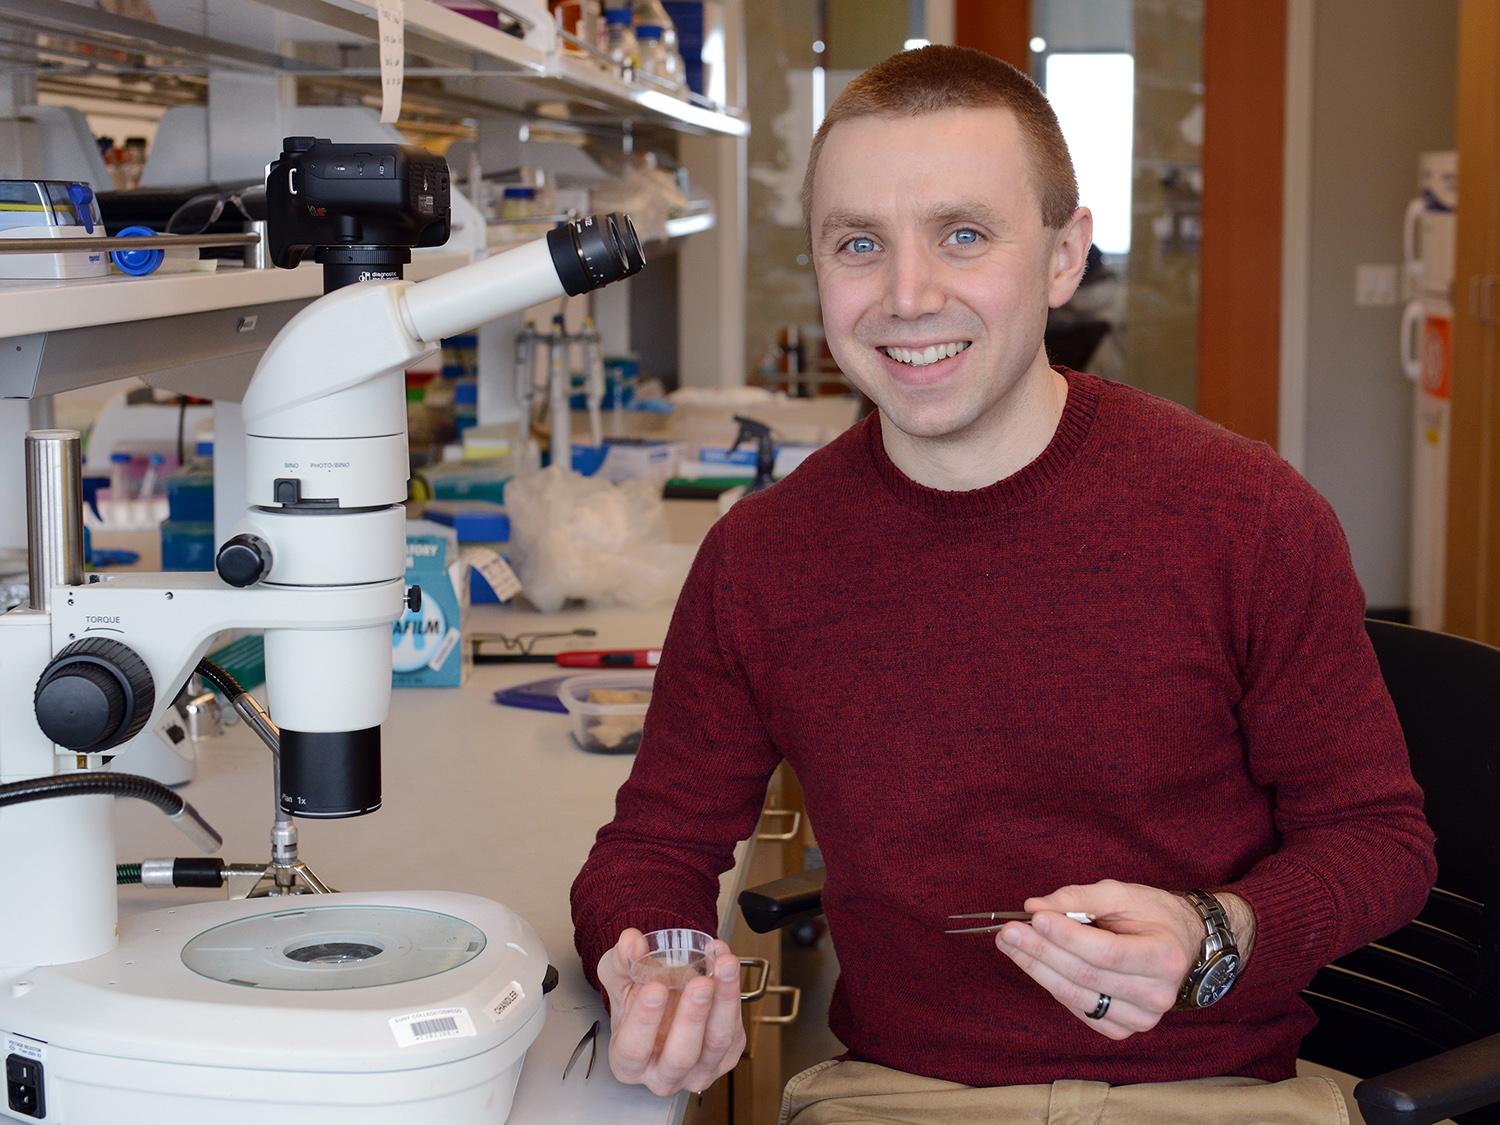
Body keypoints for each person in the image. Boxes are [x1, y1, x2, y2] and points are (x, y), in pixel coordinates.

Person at [571, 45, 1436, 1123]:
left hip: (1214, 1092)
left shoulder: (1245, 517)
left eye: (964, 235)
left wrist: (1214, 937)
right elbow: (654, 848)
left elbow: (1381, 841)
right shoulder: (765, 556)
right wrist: (659, 961)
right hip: (904, 1094)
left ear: (1064, 256)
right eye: (858, 245)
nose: (907, 296)